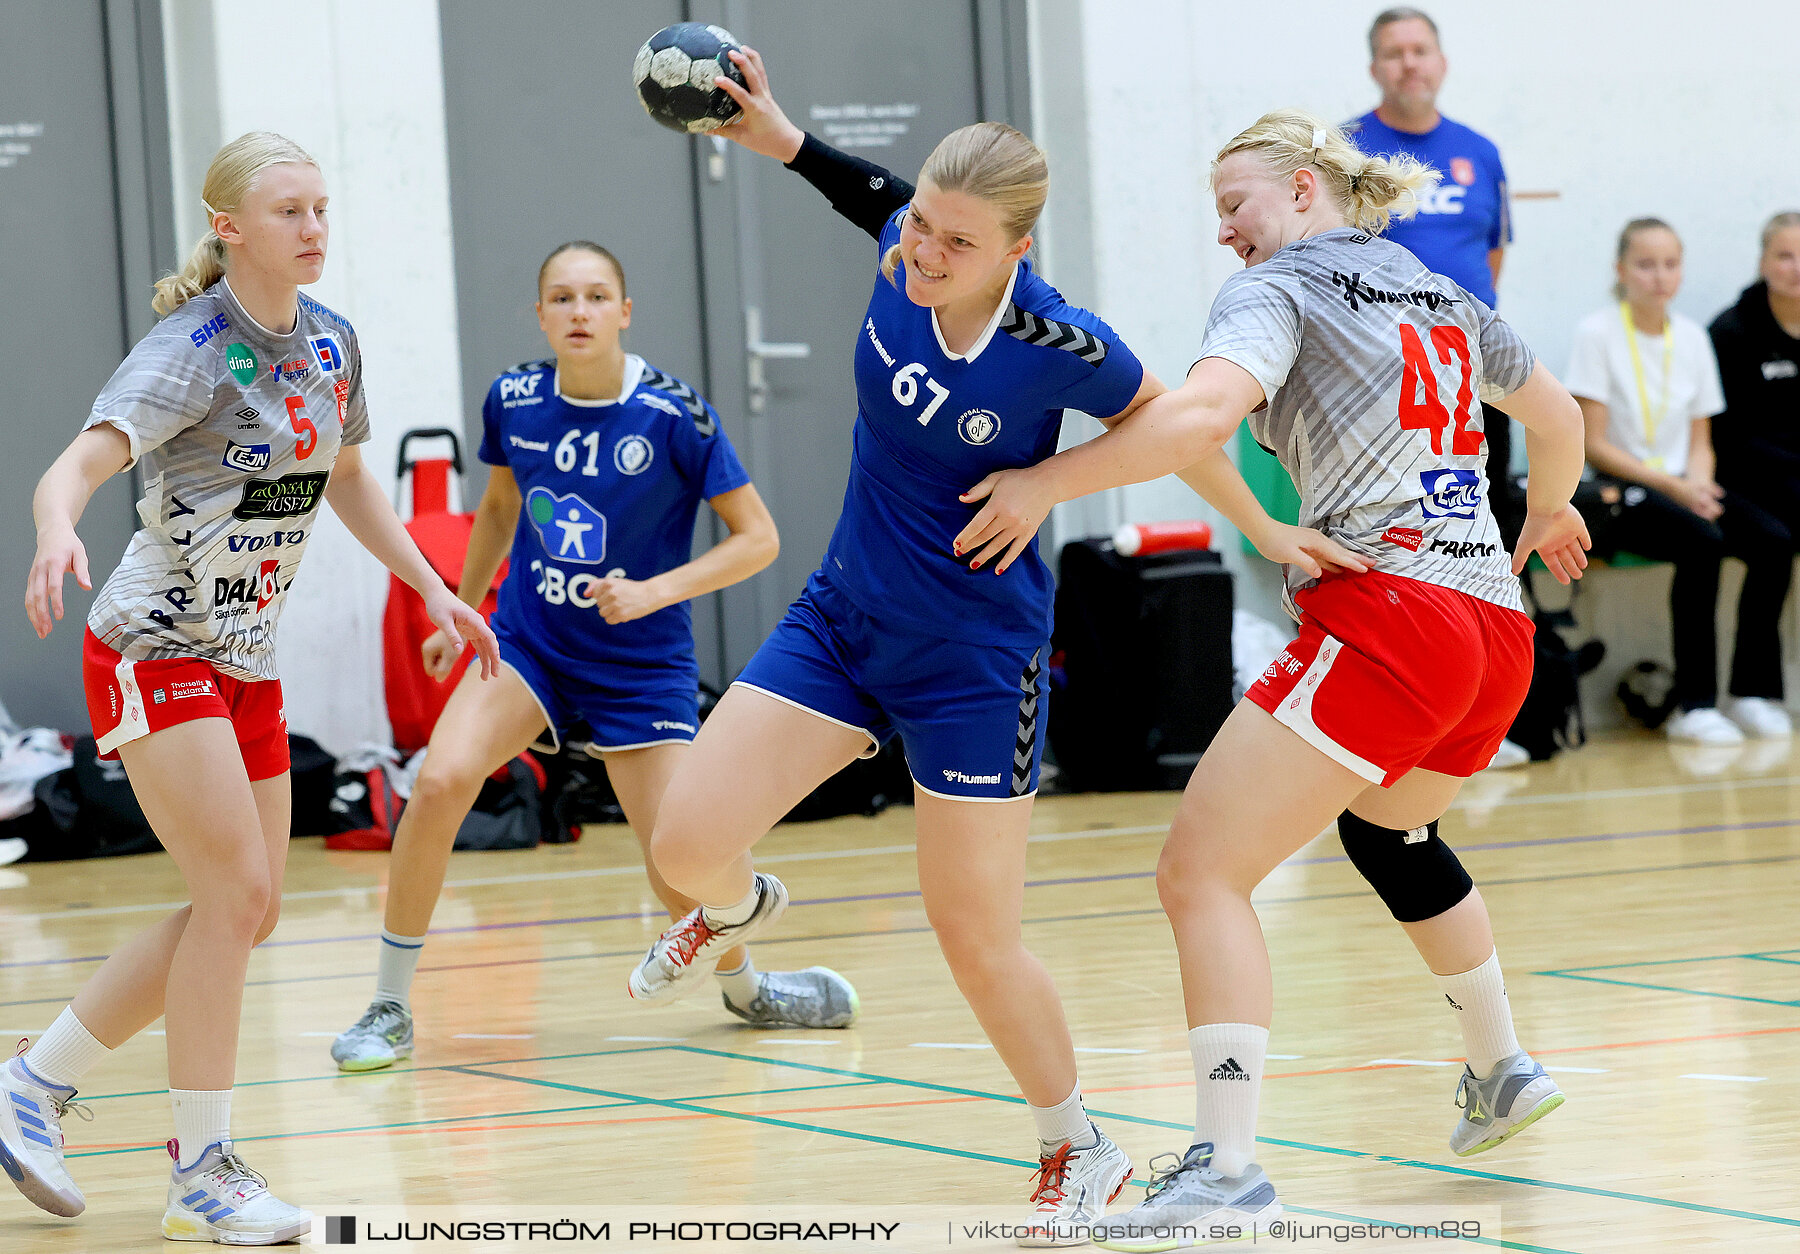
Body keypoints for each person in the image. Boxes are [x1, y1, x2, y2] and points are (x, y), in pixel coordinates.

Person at [625, 51, 1360, 1246]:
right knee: (684, 842)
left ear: (1018, 251)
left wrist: (1263, 525)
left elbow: (1175, 427)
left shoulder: (1059, 343)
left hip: (976, 659)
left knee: (972, 933)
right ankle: (742, 906)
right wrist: (784, 139)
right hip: (844, 619)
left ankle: (1079, 1142)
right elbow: (862, 197)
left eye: (955, 244)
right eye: (921, 225)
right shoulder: (896, 251)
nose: (922, 254)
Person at [951, 110, 1588, 1244]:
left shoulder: (1283, 288)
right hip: (1494, 630)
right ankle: (1500, 1068)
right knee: (1390, 831)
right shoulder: (1434, 286)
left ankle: (1227, 1171)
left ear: (1302, 191)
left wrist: (1051, 482)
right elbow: (1551, 414)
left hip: (1393, 615)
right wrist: (1548, 506)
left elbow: (1197, 412)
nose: (1227, 236)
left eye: (1234, 207)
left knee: (1200, 874)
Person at [6, 132, 499, 1244]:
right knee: (232, 896)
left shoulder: (332, 346)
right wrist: (51, 530)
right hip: (150, 645)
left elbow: (350, 479)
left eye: (322, 208)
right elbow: (76, 465)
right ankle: (202, 1169)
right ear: (229, 225)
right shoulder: (187, 350)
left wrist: (434, 589)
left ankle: (32, 1084)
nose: (314, 228)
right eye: (289, 211)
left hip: (246, 658)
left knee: (252, 906)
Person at [329, 240, 856, 1072]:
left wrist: (655, 591)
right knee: (438, 779)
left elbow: (759, 540)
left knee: (680, 858)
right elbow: (498, 509)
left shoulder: (677, 415)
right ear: (541, 314)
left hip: (641, 664)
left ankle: (748, 989)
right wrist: (457, 610)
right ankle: (389, 1004)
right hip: (533, 645)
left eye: (596, 296)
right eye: (563, 298)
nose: (579, 311)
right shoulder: (513, 398)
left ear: (624, 312)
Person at [1349, 10, 1530, 769]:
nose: (1408, 64)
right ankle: (1398, 717)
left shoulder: (1479, 153)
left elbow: (1491, 255)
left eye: (1419, 50)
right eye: (1393, 53)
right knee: (1403, 539)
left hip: (1472, 381)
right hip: (1385, 387)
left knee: (1485, 532)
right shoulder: (1345, 152)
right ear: (1375, 68)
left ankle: (1488, 717)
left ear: (1441, 62)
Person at [1567, 219, 1793, 743]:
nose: (1659, 277)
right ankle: (1695, 705)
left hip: (1684, 486)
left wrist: (1701, 486)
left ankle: (1754, 692)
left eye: (1670, 264)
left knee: (1773, 541)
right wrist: (1679, 490)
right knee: (1703, 543)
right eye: (1646, 265)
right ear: (1621, 271)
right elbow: (1593, 443)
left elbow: (1700, 437)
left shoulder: (1691, 336)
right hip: (1625, 490)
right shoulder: (1597, 334)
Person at [1707, 211, 1800, 733]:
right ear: (1764, 261)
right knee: (1774, 543)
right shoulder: (1733, 329)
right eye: (1785, 255)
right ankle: (1752, 691)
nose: (1797, 268)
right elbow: (1730, 436)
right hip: (1746, 482)